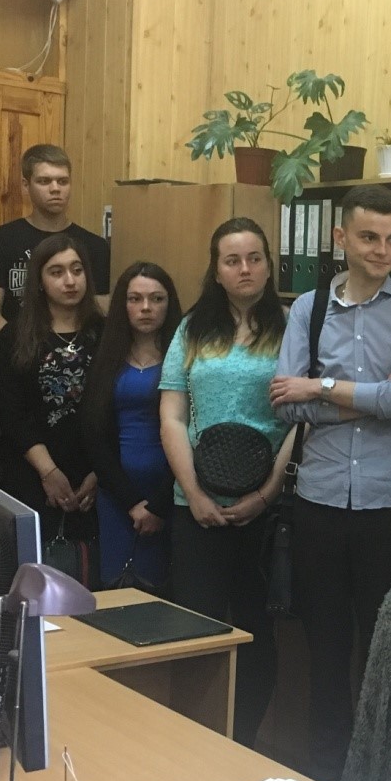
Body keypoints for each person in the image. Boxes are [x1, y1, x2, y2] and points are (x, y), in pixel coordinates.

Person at [269, 184, 391, 781]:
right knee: (324, 648)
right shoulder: (308, 308)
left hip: (386, 507)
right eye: (369, 237)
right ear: (341, 237)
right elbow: (284, 404)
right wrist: (372, 396)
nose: (383, 251)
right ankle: (327, 776)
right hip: (317, 502)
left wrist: (321, 386)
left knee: (383, 651)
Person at [159, 218, 292, 748]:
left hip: (266, 507)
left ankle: (243, 745)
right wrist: (193, 494)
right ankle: (198, 745)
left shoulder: (291, 328)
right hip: (196, 507)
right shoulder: (192, 328)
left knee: (258, 633)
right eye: (232, 260)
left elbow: (300, 422)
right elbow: (172, 416)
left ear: (269, 266)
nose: (245, 269)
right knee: (197, 631)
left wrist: (266, 494)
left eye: (255, 258)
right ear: (216, 270)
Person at [0, 233, 105, 551]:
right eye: (57, 272)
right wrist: (48, 472)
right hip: (30, 470)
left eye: (77, 270)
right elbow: (12, 413)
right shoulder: (13, 337)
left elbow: (114, 408)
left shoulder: (105, 333)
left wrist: (99, 472)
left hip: (95, 471)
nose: (70, 281)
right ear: (39, 281)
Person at [83, 261, 182, 590]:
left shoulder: (185, 358)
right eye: (135, 299)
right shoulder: (105, 357)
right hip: (117, 496)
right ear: (121, 305)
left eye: (157, 299)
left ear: (169, 304)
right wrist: (131, 502)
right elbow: (94, 433)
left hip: (173, 493)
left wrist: (158, 506)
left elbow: (191, 433)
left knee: (165, 594)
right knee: (117, 592)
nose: (146, 308)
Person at [0, 143, 110, 337]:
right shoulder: (0, 240)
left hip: (75, 349)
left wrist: (69, 349)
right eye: (44, 181)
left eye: (62, 181)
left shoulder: (95, 246)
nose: (55, 189)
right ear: (26, 185)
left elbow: (99, 312)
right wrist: (17, 348)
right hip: (15, 349)